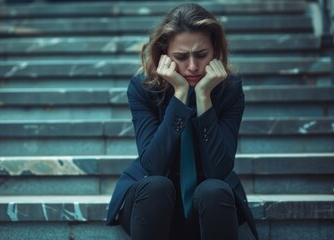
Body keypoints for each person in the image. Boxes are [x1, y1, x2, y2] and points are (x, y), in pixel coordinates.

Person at [106, 3, 258, 240]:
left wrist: (203, 98)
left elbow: (218, 171)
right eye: (180, 57)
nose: (192, 66)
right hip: (150, 205)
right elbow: (154, 166)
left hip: (209, 208)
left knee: (215, 189)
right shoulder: (143, 89)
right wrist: (179, 96)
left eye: (201, 54)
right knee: (157, 186)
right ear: (164, 55)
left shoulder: (229, 90)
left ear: (216, 50)